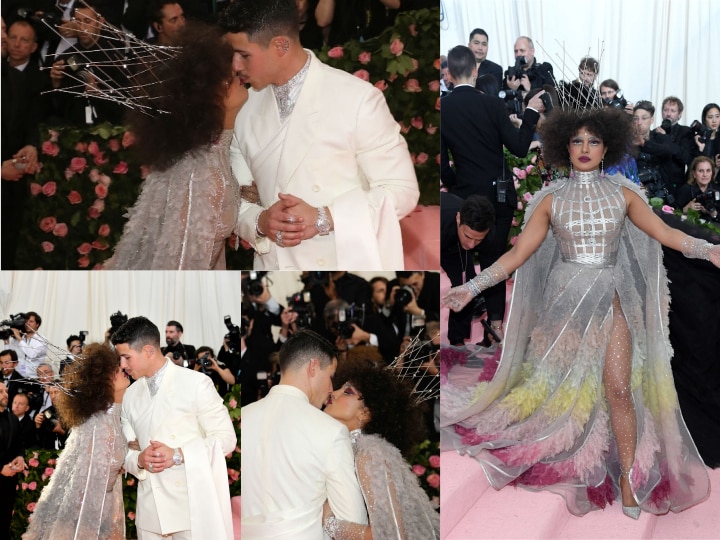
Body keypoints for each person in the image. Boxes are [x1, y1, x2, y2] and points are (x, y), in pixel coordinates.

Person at [441, 107, 717, 519]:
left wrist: (709, 249)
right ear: (563, 146)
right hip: (564, 303)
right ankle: (571, 441)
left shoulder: (624, 195)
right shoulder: (550, 200)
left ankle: (627, 474)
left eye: (593, 141)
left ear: (607, 146)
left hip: (612, 297)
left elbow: (666, 233)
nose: (585, 148)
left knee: (619, 386)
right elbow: (519, 253)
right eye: (577, 141)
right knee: (565, 385)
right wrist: (471, 287)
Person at [221, 0, 419, 270]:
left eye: (243, 55)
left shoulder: (357, 99)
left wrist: (324, 218)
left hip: (343, 259)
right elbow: (234, 192)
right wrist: (259, 221)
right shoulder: (244, 107)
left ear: (280, 45)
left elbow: (402, 190)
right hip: (275, 262)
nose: (235, 66)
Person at [104, 21, 246, 270]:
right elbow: (179, 267)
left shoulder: (202, 157)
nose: (238, 72)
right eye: (227, 77)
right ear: (206, 99)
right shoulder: (200, 175)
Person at [441, 45, 545, 338]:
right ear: (476, 70)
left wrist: (454, 186)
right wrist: (532, 114)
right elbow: (520, 148)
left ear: (448, 73)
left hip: (464, 197)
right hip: (497, 198)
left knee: (463, 266)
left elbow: (442, 165)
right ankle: (496, 326)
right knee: (495, 263)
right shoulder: (492, 105)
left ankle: (459, 334)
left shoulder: (444, 108)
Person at [112, 316, 236, 539]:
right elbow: (124, 449)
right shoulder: (130, 394)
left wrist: (178, 455)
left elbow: (227, 439)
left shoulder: (196, 383)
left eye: (126, 357)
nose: (123, 365)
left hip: (191, 507)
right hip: (150, 510)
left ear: (148, 350)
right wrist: (139, 459)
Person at [241, 329, 367, 539]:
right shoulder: (331, 430)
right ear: (313, 367)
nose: (330, 389)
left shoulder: (242, 417)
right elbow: (352, 522)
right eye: (331, 377)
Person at [23, 343, 129, 539]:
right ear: (102, 383)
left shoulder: (113, 418)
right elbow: (83, 488)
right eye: (116, 369)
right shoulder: (97, 425)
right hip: (92, 519)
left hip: (109, 510)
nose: (123, 369)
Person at [321, 363, 440, 539]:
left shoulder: (370, 453)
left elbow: (393, 535)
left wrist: (330, 524)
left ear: (365, 413)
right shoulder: (356, 450)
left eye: (348, 392)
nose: (334, 393)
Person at [440, 192, 498, 346]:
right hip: (437, 235)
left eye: (478, 239)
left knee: (467, 284)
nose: (472, 245)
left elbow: (495, 276)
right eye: (468, 236)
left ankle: (457, 343)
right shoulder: (440, 218)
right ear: (459, 218)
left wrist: (496, 322)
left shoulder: (490, 235)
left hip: (454, 247)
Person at [0, 382, 26, 539]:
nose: (5, 394)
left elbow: (20, 445)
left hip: (8, 484)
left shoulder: (13, 419)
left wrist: (20, 457)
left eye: (6, 390)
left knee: (4, 522)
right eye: (1, 391)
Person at [676, 156, 719, 221]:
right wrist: (685, 209)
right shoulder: (685, 190)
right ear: (694, 174)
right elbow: (673, 217)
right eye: (701, 171)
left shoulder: (717, 191)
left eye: (708, 171)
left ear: (712, 173)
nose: (705, 174)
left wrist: (714, 214)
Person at [691, 103, 720, 177]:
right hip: (700, 180)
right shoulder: (698, 139)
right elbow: (692, 166)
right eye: (710, 117)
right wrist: (701, 149)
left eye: (717, 116)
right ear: (704, 119)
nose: (714, 120)